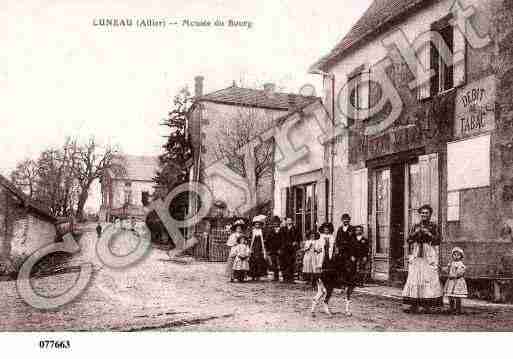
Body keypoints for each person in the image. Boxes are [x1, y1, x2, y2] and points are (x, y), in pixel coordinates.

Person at [402, 204, 443, 314]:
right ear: (420, 214)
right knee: (415, 276)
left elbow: (438, 240)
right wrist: (415, 233)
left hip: (428, 252)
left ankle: (427, 305)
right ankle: (414, 303)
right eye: (422, 213)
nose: (424, 215)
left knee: (428, 276)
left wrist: (428, 234)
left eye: (426, 213)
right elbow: (408, 240)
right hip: (417, 252)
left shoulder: (433, 226)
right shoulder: (415, 225)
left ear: (430, 214)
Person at [339, 225, 369, 316]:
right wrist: (351, 255)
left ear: (362, 231)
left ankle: (360, 282)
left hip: (361, 257)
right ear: (355, 231)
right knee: (352, 270)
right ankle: (350, 282)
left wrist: (365, 256)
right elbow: (350, 249)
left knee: (361, 269)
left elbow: (366, 249)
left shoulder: (365, 240)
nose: (358, 231)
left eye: (360, 230)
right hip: (353, 257)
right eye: (357, 230)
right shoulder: (352, 240)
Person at [311, 222, 338, 316]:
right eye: (325, 228)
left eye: (328, 228)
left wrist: (335, 253)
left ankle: (315, 308)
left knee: (329, 288)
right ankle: (317, 307)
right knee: (323, 289)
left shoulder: (332, 238)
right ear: (323, 229)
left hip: (330, 263)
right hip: (321, 263)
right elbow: (314, 250)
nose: (326, 230)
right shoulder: (319, 239)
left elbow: (335, 249)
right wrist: (317, 250)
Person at [443, 247, 468, 315]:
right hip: (451, 282)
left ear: (461, 256)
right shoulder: (451, 263)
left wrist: (454, 275)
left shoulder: (461, 264)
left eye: (458, 255)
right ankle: (451, 309)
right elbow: (447, 270)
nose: (456, 256)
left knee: (457, 296)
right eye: (454, 254)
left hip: (458, 282)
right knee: (450, 296)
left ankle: (458, 309)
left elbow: (461, 273)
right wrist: (444, 269)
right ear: (452, 255)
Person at [280, 218, 301, 283]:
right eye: (288, 220)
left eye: (290, 220)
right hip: (284, 248)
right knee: (284, 263)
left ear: (292, 221)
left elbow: (299, 237)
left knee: (291, 263)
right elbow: (281, 238)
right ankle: (285, 278)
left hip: (292, 248)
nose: (289, 222)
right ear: (286, 222)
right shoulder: (283, 229)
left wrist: (296, 242)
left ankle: (291, 278)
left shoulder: (295, 229)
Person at [248, 215, 269, 281]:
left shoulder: (262, 231)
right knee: (253, 261)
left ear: (260, 225)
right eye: (256, 224)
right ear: (254, 225)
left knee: (260, 261)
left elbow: (265, 239)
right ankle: (253, 275)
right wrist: (249, 248)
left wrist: (264, 245)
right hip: (253, 247)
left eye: (258, 224)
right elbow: (250, 239)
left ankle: (259, 275)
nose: (257, 225)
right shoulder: (252, 231)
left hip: (260, 248)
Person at [265, 216, 282, 281]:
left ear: (279, 223)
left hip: (280, 248)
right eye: (274, 222)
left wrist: (281, 248)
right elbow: (267, 240)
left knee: (280, 262)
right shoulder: (270, 231)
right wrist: (268, 249)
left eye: (277, 222)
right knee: (274, 262)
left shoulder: (282, 229)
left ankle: (284, 275)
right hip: (272, 249)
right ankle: (276, 276)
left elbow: (283, 240)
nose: (275, 224)